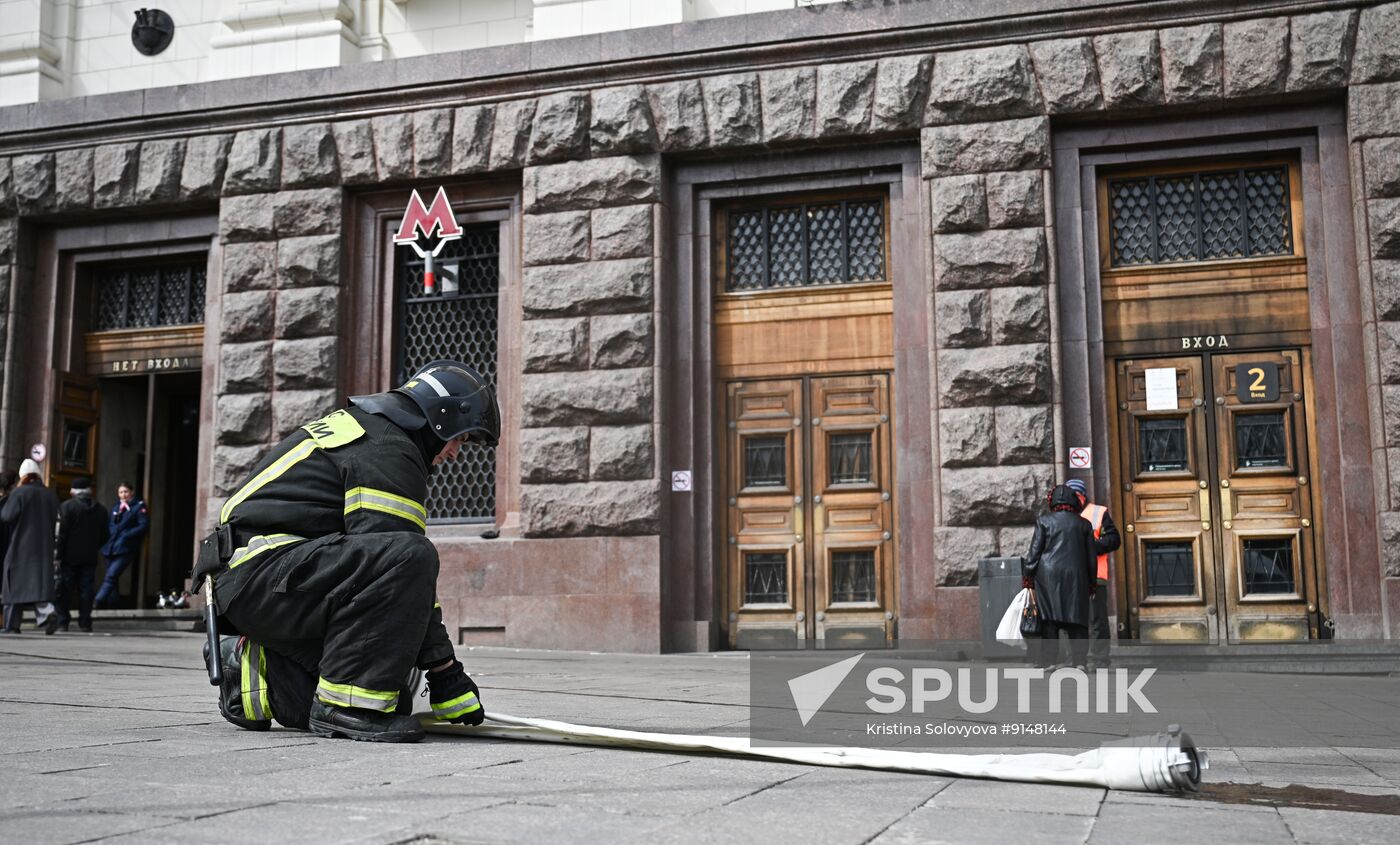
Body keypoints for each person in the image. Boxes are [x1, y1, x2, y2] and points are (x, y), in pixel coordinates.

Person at [193, 360, 499, 743]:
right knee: (410, 555)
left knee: (390, 692)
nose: (455, 452)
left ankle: (253, 673)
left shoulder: (371, 430)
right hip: (262, 571)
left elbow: (380, 583)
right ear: (441, 418)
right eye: (460, 438)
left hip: (259, 579)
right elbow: (399, 569)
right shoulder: (389, 449)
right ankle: (346, 709)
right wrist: (445, 672)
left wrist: (431, 671)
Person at [1022, 484, 1097, 670]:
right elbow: (1091, 558)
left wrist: (1028, 577)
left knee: (1050, 619)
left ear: (1052, 501)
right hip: (1076, 576)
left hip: (1048, 576)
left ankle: (1049, 661)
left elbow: (1034, 552)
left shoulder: (1044, 521)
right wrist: (1091, 584)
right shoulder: (1084, 524)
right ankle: (1080, 662)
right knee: (1077, 619)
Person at [1065, 478, 1121, 670]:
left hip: (1094, 575)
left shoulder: (1098, 513)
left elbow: (1113, 539)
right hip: (1069, 577)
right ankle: (1075, 659)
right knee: (1071, 620)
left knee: (1097, 620)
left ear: (1083, 496)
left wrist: (1090, 547)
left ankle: (1099, 660)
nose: (1073, 500)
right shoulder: (1062, 514)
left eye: (1076, 496)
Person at [1, 459, 61, 634]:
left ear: (23, 476)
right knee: (38, 585)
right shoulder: (50, 494)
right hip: (44, 548)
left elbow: (6, 516)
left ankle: (11, 624)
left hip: (20, 546)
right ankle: (47, 613)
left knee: (13, 584)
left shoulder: (19, 493)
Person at [55, 477, 109, 633]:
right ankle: (85, 622)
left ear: (74, 491)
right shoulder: (101, 509)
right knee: (86, 590)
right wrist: (93, 547)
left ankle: (62, 622)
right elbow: (105, 535)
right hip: (90, 557)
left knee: (65, 589)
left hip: (69, 556)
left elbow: (61, 535)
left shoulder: (67, 507)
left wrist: (58, 555)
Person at [95, 482, 149, 608]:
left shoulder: (138, 506)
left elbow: (143, 525)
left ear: (132, 492)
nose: (123, 495)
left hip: (125, 547)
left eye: (126, 491)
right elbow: (110, 525)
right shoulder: (116, 507)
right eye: (121, 492)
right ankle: (113, 605)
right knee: (112, 580)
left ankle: (97, 600)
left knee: (111, 575)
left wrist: (127, 535)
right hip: (111, 547)